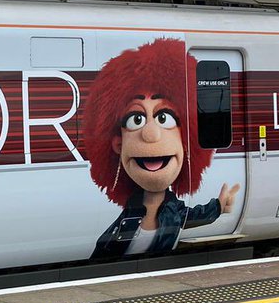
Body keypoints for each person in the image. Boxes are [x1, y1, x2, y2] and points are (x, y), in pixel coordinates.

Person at [82, 37, 240, 258]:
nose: (150, 134)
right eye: (136, 119)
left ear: (187, 139)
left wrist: (219, 206)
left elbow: (193, 215)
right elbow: (104, 246)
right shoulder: (130, 211)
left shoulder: (173, 209)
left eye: (164, 117)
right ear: (117, 144)